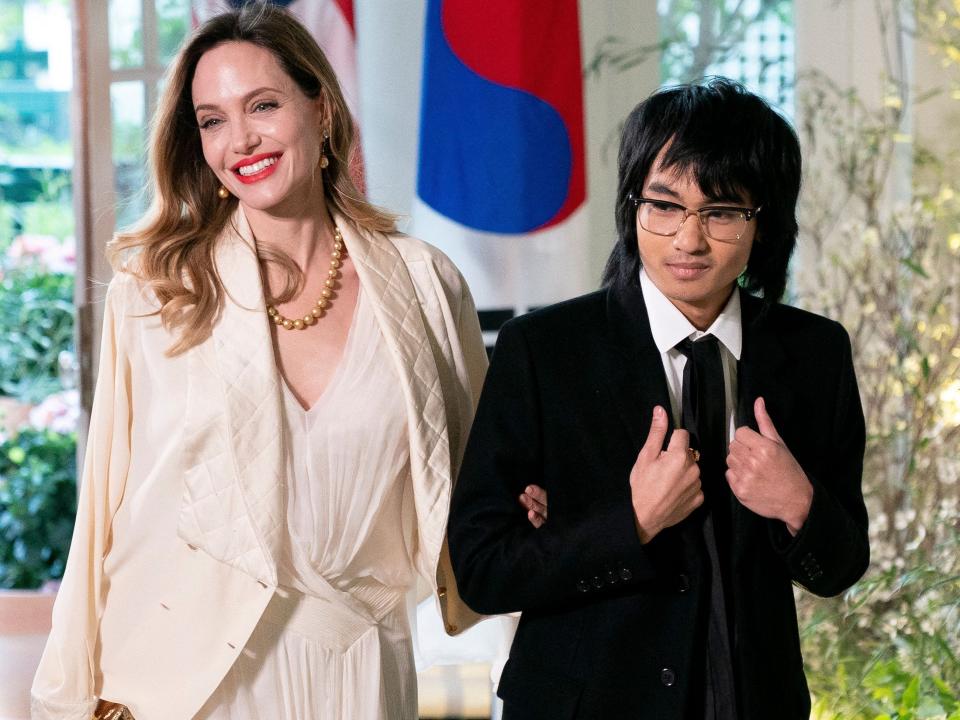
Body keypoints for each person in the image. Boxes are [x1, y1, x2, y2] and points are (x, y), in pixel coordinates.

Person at [31, 5, 540, 719]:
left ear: (322, 108)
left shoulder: (426, 286)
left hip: (362, 673)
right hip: (185, 686)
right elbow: (104, 512)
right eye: (211, 120)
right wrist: (72, 697)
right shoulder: (157, 291)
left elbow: (480, 493)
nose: (240, 139)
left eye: (262, 105)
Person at [448, 78, 870, 720]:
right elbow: (482, 570)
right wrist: (632, 521)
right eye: (664, 206)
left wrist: (799, 503)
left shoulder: (814, 354)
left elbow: (840, 565)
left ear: (764, 222)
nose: (688, 240)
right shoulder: (544, 349)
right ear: (632, 206)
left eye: (722, 212)